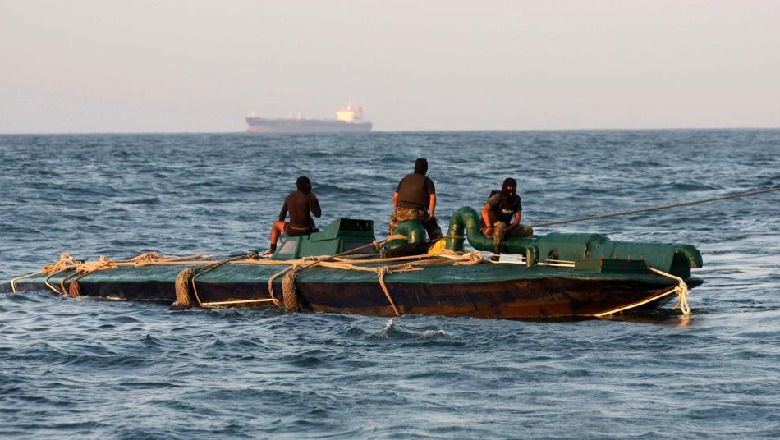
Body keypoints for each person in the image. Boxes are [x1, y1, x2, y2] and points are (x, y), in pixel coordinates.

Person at [388, 158, 443, 241]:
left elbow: (395, 198)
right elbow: (432, 197)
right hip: (417, 214)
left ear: (415, 167)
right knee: (434, 229)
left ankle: (390, 243)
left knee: (392, 226)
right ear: (426, 168)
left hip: (400, 213)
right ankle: (437, 245)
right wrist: (431, 215)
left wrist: (397, 211)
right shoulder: (427, 181)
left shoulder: (405, 179)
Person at [267, 176, 321, 254]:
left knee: (276, 224)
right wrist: (315, 200)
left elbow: (282, 217)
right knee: (311, 222)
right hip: (306, 231)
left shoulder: (289, 198)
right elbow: (318, 214)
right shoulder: (309, 198)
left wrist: (280, 230)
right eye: (310, 186)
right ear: (307, 186)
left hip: (292, 230)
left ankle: (272, 249)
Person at [482, 177, 533, 260]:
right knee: (500, 225)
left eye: (513, 188)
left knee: (528, 230)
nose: (511, 190)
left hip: (507, 227)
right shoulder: (497, 197)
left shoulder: (516, 200)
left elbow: (517, 218)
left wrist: (509, 228)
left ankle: (525, 255)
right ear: (504, 187)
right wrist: (489, 226)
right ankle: (496, 254)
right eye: (509, 187)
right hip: (491, 226)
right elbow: (485, 210)